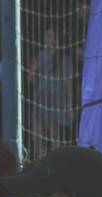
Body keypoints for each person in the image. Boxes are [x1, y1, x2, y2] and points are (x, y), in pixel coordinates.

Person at [28, 28, 74, 157]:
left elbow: (68, 83)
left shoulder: (64, 58)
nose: (48, 39)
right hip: (41, 98)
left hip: (57, 99)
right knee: (37, 134)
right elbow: (30, 79)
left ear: (57, 39)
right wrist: (33, 70)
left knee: (54, 135)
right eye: (46, 35)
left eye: (51, 36)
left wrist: (69, 106)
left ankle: (56, 162)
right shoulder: (38, 55)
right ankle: (39, 161)